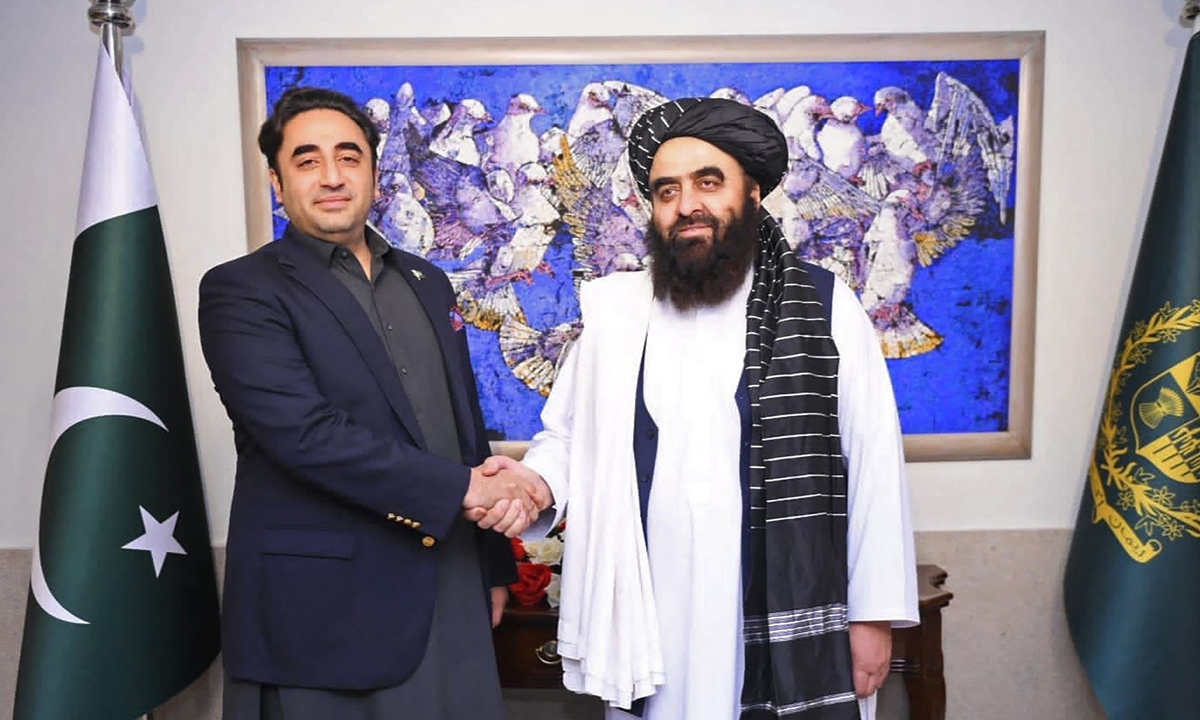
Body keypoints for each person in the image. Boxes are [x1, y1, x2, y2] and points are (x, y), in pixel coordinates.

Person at [481, 98, 919, 720]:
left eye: (708, 183)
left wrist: (873, 616)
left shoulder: (823, 305)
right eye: (666, 191)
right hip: (655, 614)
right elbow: (568, 440)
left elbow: (875, 464)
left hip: (781, 602)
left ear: (754, 193)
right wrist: (534, 483)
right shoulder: (619, 312)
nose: (687, 204)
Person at [199, 86, 536, 720]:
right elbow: (303, 434)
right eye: (306, 160)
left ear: (375, 175)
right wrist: (468, 488)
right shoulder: (241, 291)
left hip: (449, 587)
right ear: (277, 183)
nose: (331, 176)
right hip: (323, 610)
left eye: (349, 157)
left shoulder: (429, 282)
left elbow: (464, 427)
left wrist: (493, 565)